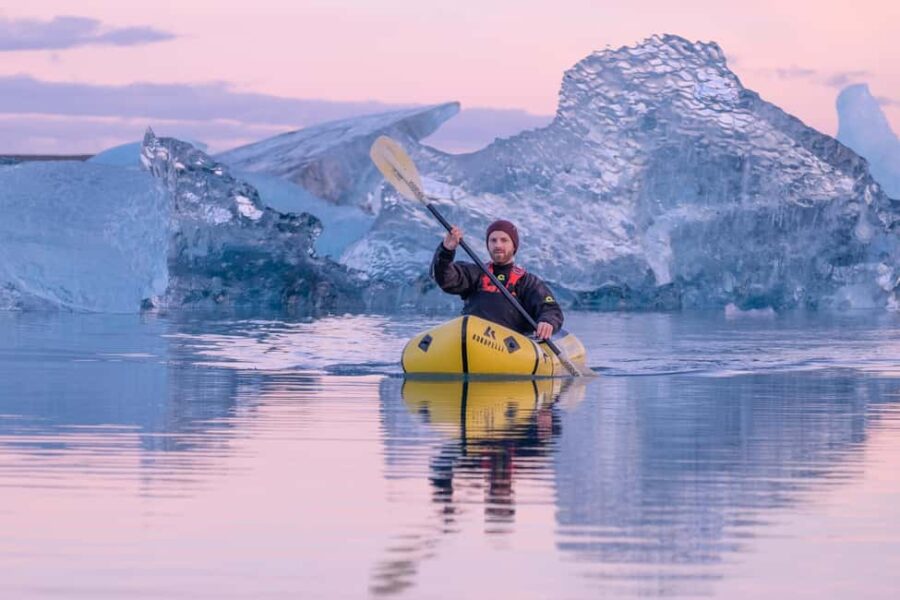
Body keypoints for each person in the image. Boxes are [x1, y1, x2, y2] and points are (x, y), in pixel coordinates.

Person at [431, 219, 563, 340]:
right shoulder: (475, 273)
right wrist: (446, 251)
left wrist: (547, 321)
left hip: (511, 347)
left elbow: (550, 309)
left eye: (504, 240)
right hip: (473, 340)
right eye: (493, 240)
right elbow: (445, 279)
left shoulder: (527, 282)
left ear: (514, 246)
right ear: (488, 244)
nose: (498, 245)